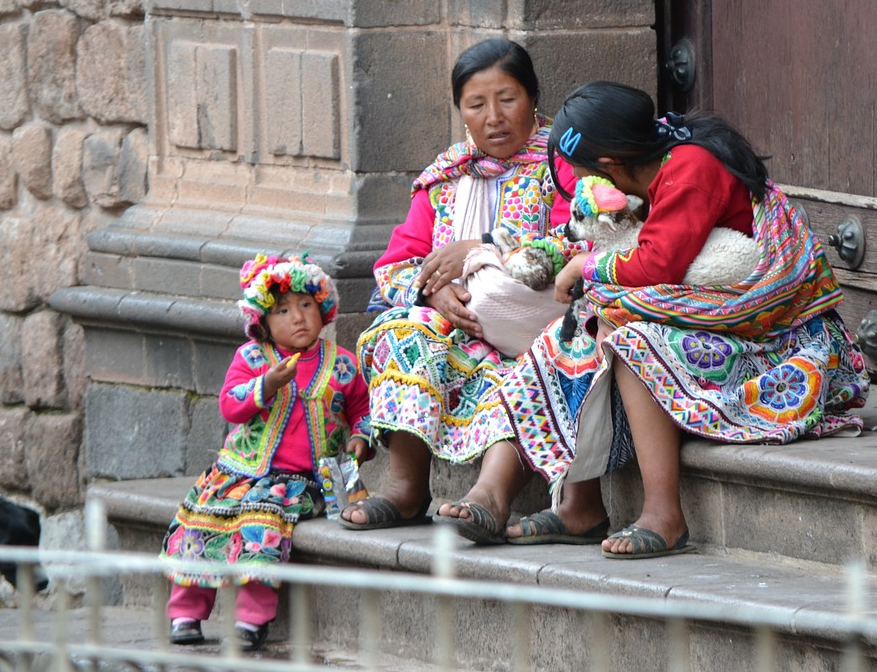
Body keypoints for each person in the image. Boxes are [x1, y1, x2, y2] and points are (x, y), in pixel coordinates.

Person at [441, 81, 870, 558]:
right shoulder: (646, 175)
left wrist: (587, 266)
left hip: (772, 336)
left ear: (610, 167)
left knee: (632, 341)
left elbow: (657, 265)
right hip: (706, 316)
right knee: (571, 336)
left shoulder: (690, 169)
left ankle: (664, 514)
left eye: (586, 175)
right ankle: (576, 504)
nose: (585, 187)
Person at [339, 40, 580, 538]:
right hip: (459, 325)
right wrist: (431, 294)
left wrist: (482, 246)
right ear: (461, 113)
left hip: (532, 323)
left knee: (539, 361)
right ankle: (407, 488)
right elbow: (395, 263)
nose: (494, 117)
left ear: (533, 98)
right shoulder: (445, 178)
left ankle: (491, 496)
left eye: (507, 99)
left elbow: (578, 237)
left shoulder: (562, 167)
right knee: (403, 331)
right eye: (476, 104)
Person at [160, 254, 372, 650]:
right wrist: (265, 385)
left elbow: (362, 409)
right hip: (239, 472)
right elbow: (230, 404)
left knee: (262, 523)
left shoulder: (342, 364)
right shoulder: (252, 358)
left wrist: (362, 438)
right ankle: (186, 611)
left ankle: (250, 620)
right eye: (283, 310)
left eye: (306, 305)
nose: (298, 318)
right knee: (202, 518)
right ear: (262, 321)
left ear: (323, 308)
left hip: (304, 482)